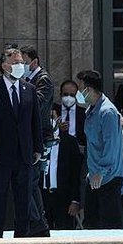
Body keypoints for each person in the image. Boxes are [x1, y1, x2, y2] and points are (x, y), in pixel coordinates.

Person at [0, 47, 43, 238]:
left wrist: (38, 148)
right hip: (0, 154)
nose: (20, 66)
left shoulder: (29, 89)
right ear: (4, 65)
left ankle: (22, 236)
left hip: (24, 153)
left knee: (23, 197)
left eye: (21, 62)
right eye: (16, 62)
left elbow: (35, 122)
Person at [78, 70, 123, 229]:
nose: (78, 92)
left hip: (108, 176)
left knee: (110, 226)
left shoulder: (108, 112)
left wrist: (101, 171)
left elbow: (111, 145)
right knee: (91, 224)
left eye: (80, 88)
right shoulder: (90, 110)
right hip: (94, 175)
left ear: (89, 89)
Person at [20, 45, 54, 237]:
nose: (22, 66)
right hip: (30, 135)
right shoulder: (30, 80)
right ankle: (38, 221)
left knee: (30, 180)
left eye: (24, 62)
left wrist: (22, 86)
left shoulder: (43, 80)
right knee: (29, 181)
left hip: (39, 135)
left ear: (35, 62)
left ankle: (38, 221)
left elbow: (37, 103)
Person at [43, 82, 85, 230]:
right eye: (65, 94)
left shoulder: (82, 115)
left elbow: (75, 173)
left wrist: (75, 199)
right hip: (44, 194)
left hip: (64, 194)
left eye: (72, 95)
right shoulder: (40, 139)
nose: (68, 98)